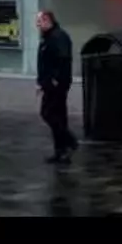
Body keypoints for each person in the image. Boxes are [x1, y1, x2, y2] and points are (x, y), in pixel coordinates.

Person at [36, 10, 79, 163]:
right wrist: (41, 83)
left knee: (48, 113)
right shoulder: (47, 38)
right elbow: (44, 63)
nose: (37, 24)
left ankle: (70, 141)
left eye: (39, 21)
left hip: (57, 84)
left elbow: (62, 60)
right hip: (50, 83)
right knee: (58, 115)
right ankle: (61, 150)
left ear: (47, 20)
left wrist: (55, 80)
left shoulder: (58, 37)